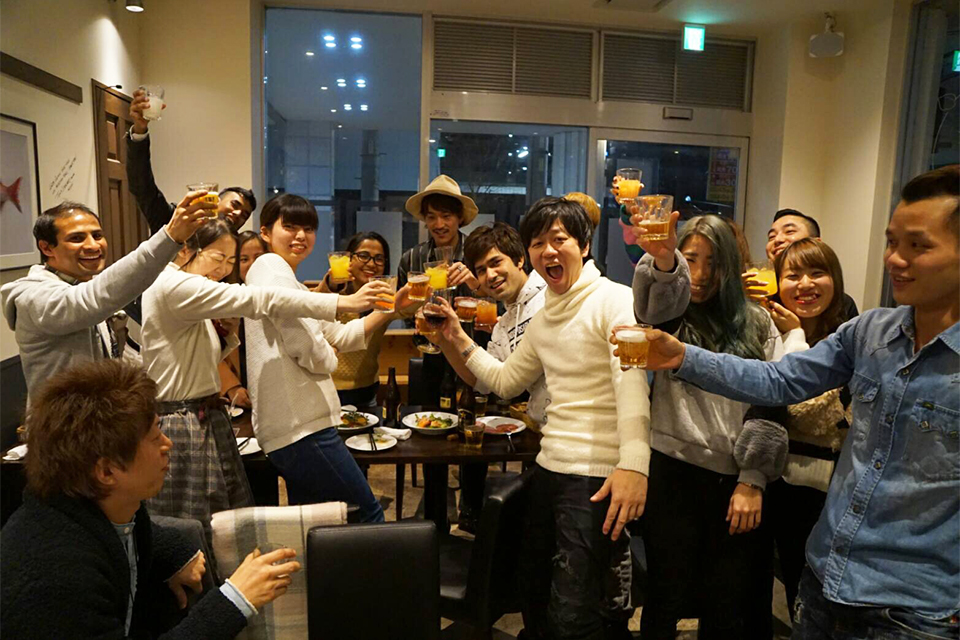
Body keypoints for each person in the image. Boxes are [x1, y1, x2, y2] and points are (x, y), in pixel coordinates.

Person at [636, 165, 960, 639]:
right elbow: (777, 381)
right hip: (826, 577)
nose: (894, 258)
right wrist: (683, 356)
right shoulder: (871, 332)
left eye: (918, 245)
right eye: (892, 242)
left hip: (916, 608)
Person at [430, 197, 649, 639]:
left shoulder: (616, 300)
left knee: (576, 610)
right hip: (549, 467)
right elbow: (505, 380)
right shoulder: (545, 316)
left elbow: (632, 383)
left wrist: (635, 464)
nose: (548, 250)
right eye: (537, 243)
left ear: (583, 245)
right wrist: (454, 335)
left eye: (559, 239)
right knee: (532, 594)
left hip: (595, 475)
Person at [1, 359, 300, 639]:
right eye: (155, 437)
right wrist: (235, 600)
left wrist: (177, 553)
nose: (167, 444)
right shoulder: (56, 580)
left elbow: (139, 530)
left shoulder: (101, 506)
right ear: (106, 471)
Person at [141, 216, 389, 550]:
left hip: (205, 415)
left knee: (224, 524)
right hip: (183, 421)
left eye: (230, 261)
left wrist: (227, 331)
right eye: (219, 258)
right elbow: (266, 300)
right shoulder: (175, 285)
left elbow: (201, 357)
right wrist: (347, 301)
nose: (223, 270)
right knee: (193, 523)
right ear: (186, 249)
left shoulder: (193, 288)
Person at [628, 211, 786, 639]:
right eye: (691, 260)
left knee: (725, 603)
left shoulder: (757, 322)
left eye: (712, 263)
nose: (699, 275)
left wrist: (753, 478)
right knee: (664, 595)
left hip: (734, 481)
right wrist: (664, 261)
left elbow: (772, 402)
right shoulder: (671, 316)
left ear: (730, 267)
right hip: (672, 472)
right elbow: (653, 302)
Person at [245, 194, 417, 524]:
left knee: (316, 522)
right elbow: (309, 348)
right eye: (290, 226)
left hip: (299, 427)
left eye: (309, 229)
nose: (300, 236)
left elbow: (342, 335)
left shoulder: (292, 283)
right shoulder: (270, 267)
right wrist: (329, 357)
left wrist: (392, 307)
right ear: (265, 232)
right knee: (367, 513)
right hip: (301, 429)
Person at [1, 195, 210, 397]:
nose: (93, 246)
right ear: (46, 248)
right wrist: (169, 237)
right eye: (76, 238)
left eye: (97, 235)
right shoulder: (32, 297)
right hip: (62, 420)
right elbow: (90, 300)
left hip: (101, 415)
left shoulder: (85, 284)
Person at [750, 237, 857, 622]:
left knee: (809, 593)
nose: (805, 284)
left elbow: (808, 406)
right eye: (793, 275)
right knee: (752, 592)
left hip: (822, 492)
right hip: (762, 482)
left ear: (835, 281)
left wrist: (795, 335)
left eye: (817, 273)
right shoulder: (762, 331)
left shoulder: (850, 341)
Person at [446, 222, 550, 533]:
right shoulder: (504, 323)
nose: (489, 275)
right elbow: (484, 382)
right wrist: (445, 340)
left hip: (575, 441)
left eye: (496, 263)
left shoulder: (550, 297)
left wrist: (459, 336)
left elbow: (509, 385)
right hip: (544, 441)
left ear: (519, 260)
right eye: (481, 270)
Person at [127, 89, 256, 233]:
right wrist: (139, 130)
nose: (238, 214)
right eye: (235, 205)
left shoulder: (238, 244)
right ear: (216, 200)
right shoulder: (176, 221)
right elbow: (142, 187)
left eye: (245, 215)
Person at [314, 231, 394, 410]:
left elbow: (410, 305)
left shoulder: (385, 299)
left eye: (379, 259)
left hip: (367, 390)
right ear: (349, 259)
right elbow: (312, 307)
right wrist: (332, 283)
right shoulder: (334, 293)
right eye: (364, 256)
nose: (371, 264)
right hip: (327, 390)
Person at [746, 208, 859, 319]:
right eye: (771, 237)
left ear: (816, 243)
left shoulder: (842, 306)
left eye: (789, 231)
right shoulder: (760, 296)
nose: (778, 239)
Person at [397, 174, 481, 302]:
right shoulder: (412, 259)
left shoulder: (478, 253)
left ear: (460, 218)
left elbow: (496, 303)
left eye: (446, 216)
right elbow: (401, 306)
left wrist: (475, 285)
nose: (439, 225)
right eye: (431, 217)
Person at [218, 231, 269, 408]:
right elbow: (208, 352)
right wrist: (231, 386)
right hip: (237, 398)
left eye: (258, 258)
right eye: (244, 259)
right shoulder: (221, 299)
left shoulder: (275, 296)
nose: (252, 265)